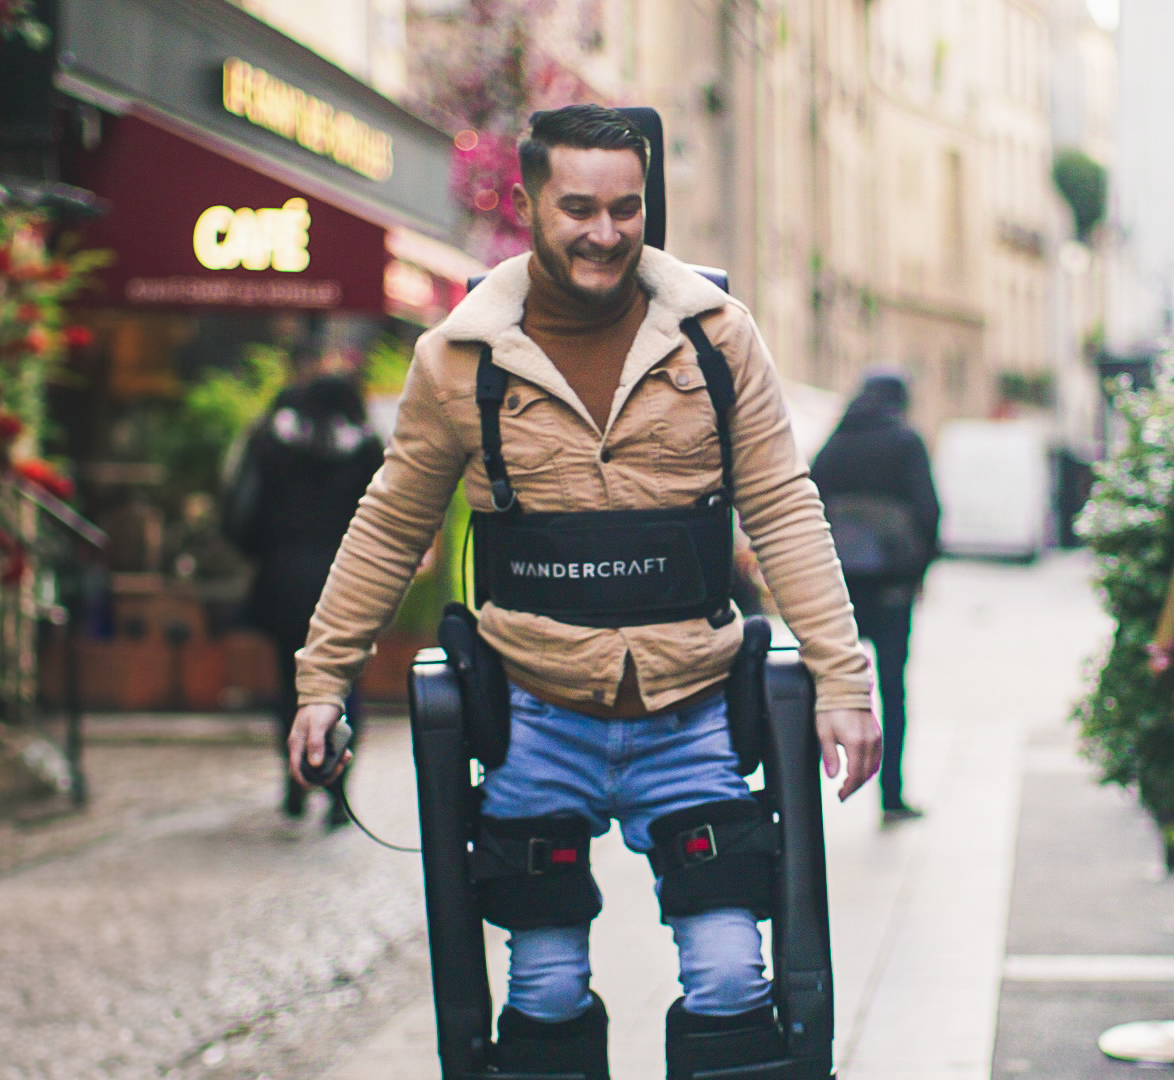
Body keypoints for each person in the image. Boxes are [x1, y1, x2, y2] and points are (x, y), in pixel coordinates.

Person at [287, 105, 879, 1077]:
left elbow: (782, 506)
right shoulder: (458, 357)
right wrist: (324, 682)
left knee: (734, 978)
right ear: (528, 204)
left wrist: (844, 685)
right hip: (534, 715)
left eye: (625, 208)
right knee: (545, 989)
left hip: (689, 712)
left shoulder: (719, 341)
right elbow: (391, 523)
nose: (605, 232)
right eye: (579, 209)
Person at [225, 362, 383, 828]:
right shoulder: (367, 448)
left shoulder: (270, 445)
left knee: (290, 685)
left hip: (285, 582)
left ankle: (295, 780)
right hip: (351, 584)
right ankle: (338, 790)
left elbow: (239, 518)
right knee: (346, 681)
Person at [811, 372, 940, 823]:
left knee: (821, 688)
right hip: (892, 587)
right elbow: (929, 511)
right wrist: (920, 571)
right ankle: (891, 795)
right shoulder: (906, 442)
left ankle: (807, 792)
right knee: (893, 690)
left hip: (837, 591)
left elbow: (806, 507)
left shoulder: (834, 444)